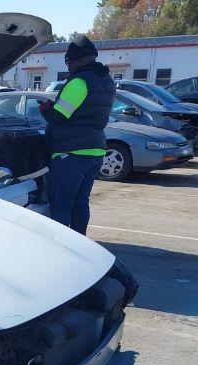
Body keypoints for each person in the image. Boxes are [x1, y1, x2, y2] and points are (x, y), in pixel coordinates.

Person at [40, 35, 115, 235]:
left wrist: (46, 109)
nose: (69, 67)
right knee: (81, 202)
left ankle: (62, 249)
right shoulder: (106, 80)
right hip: (96, 150)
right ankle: (80, 245)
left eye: (69, 62)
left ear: (78, 60)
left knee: (62, 205)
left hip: (71, 153)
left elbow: (58, 117)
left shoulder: (79, 82)